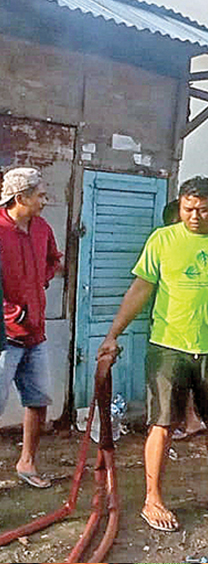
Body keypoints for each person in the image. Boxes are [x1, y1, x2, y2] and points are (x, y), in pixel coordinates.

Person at [97, 176, 208, 532]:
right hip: (168, 347)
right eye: (187, 209)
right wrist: (112, 334)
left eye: (201, 209)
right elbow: (140, 289)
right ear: (180, 208)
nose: (194, 216)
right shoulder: (163, 239)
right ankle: (152, 499)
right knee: (162, 424)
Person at [0, 167, 62, 489]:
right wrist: (11, 309)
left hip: (35, 334)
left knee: (38, 401)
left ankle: (27, 462)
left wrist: (40, 282)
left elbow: (54, 260)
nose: (44, 201)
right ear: (20, 197)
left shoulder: (41, 228)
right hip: (4, 338)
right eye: (39, 195)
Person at [161, 199, 206, 442]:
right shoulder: (167, 246)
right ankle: (189, 420)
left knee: (183, 377)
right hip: (176, 324)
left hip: (186, 325)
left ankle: (189, 421)